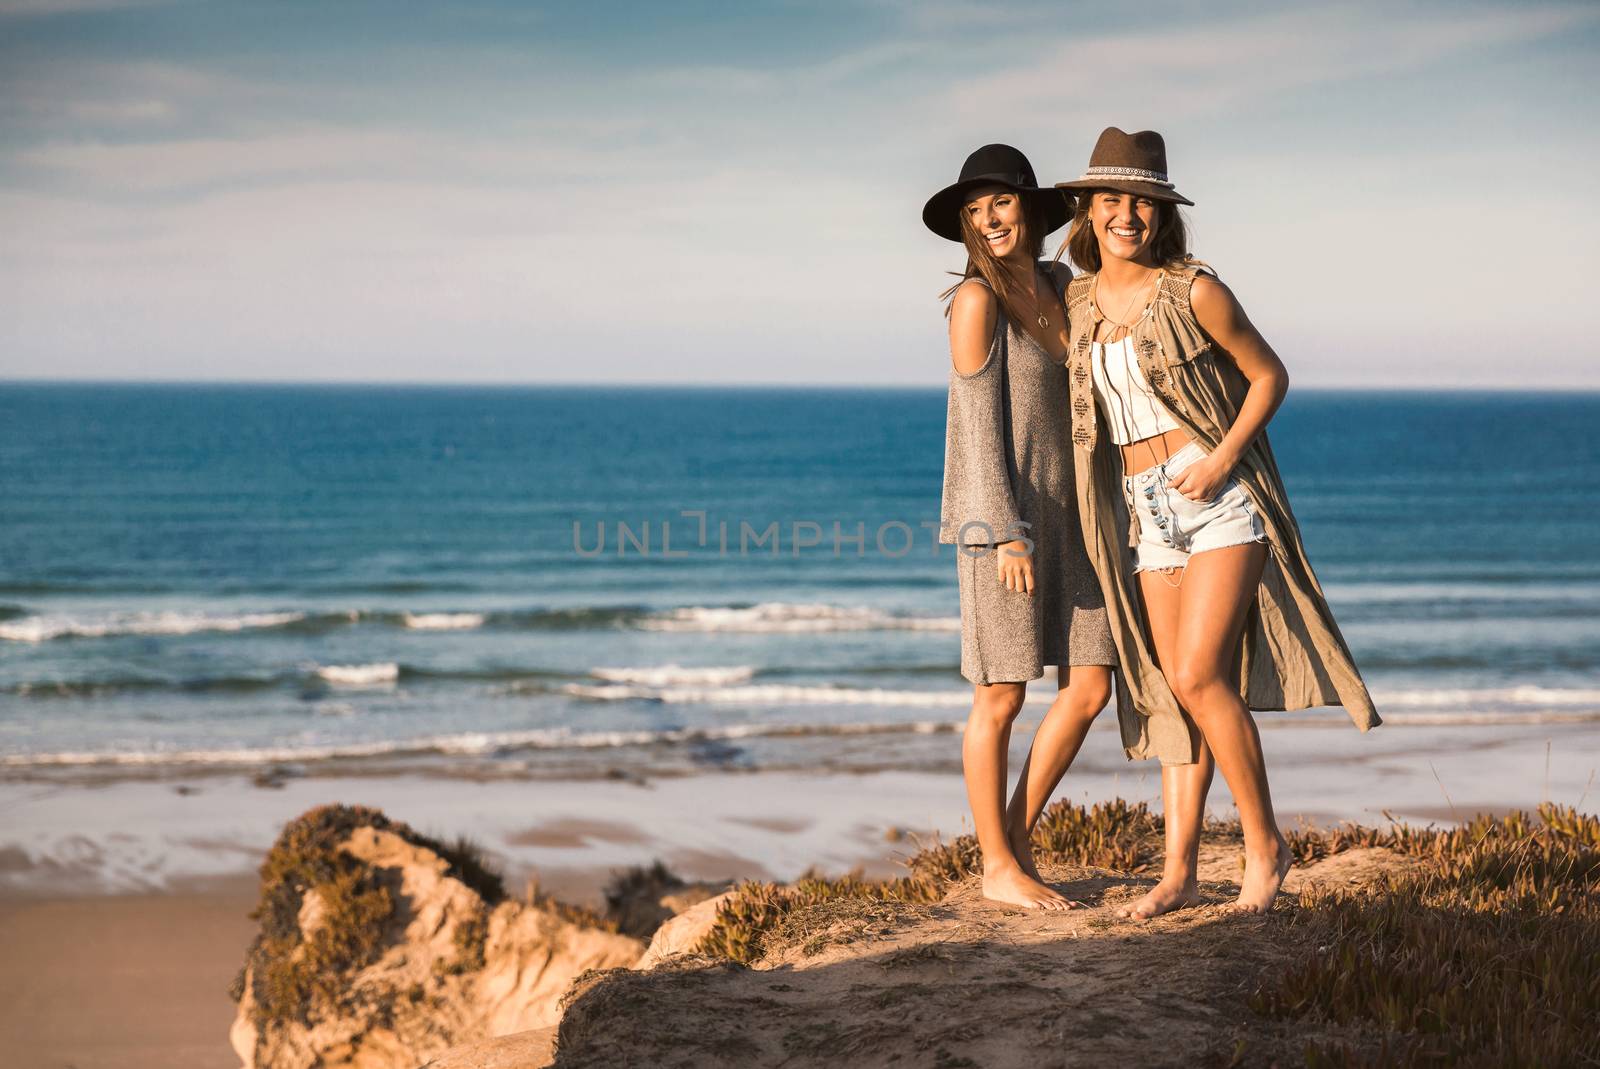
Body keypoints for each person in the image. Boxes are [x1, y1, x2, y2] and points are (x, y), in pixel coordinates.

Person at [1052, 128, 1381, 915]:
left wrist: (1222, 458)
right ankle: (1180, 873)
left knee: (1200, 676)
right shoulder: (1077, 299)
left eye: (1143, 200)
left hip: (1216, 497)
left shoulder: (1194, 289)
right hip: (1145, 510)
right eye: (1112, 200)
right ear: (1088, 211)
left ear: (1161, 212)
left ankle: (1265, 848)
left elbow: (1269, 375)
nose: (1127, 213)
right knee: (1178, 690)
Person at [924, 144, 1119, 911]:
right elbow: (976, 427)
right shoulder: (976, 302)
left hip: (1078, 521)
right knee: (1000, 696)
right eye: (975, 212)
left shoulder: (1063, 286)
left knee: (1091, 686)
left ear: (1030, 208)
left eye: (999, 203)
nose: (988, 220)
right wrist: (1005, 532)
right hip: (1004, 524)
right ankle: (999, 867)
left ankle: (1009, 838)